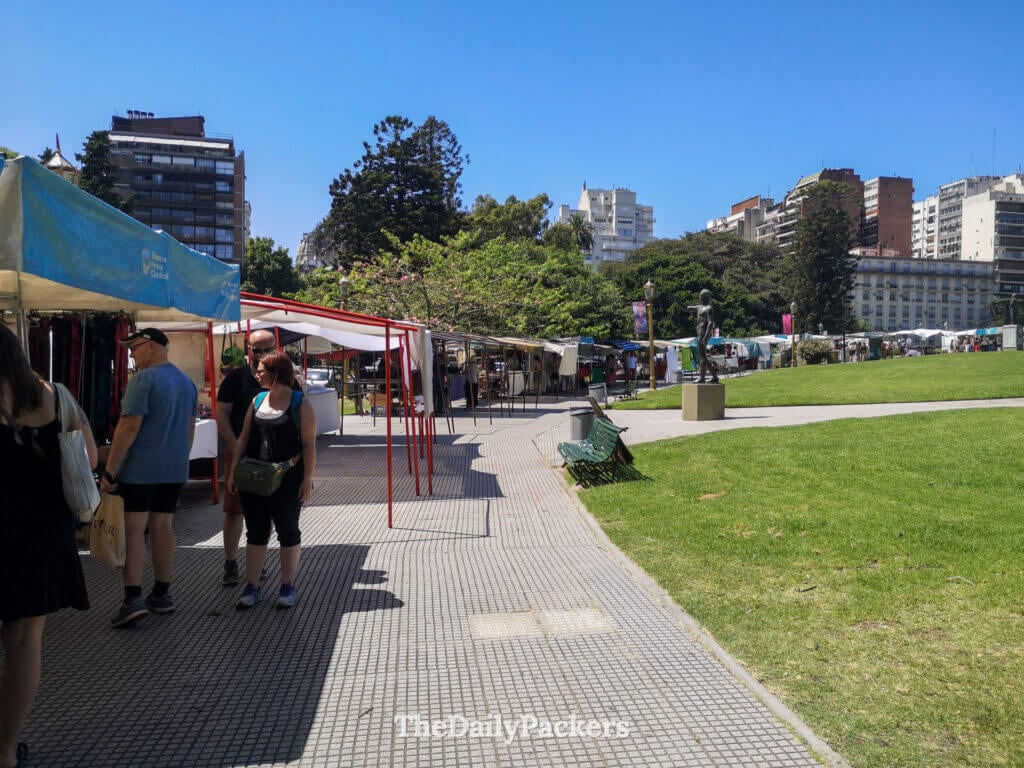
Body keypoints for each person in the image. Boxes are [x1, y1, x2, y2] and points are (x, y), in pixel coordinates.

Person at [0, 322, 96, 768]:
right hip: (41, 535)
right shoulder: (55, 395)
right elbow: (90, 459)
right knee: (23, 642)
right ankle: (5, 749)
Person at [100, 328, 197, 628]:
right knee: (163, 527)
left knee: (134, 531)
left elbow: (128, 428)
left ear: (152, 347)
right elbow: (190, 430)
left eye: (135, 348)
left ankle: (133, 599)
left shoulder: (144, 380)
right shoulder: (187, 383)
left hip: (141, 470)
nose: (131, 354)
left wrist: (109, 470)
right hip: (174, 468)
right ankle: (162, 594)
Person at [227, 351, 316, 609]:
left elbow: (309, 445)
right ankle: (252, 585)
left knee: (288, 529)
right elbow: (243, 438)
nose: (256, 374)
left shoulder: (300, 404)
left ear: (276, 373)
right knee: (255, 530)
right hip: (255, 477)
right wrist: (234, 471)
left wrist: (307, 479)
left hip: (288, 478)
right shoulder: (257, 400)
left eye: (261, 370)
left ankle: (287, 585)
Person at [214, 329, 274, 587]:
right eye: (256, 350)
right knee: (234, 511)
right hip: (239, 453)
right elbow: (222, 414)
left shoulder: (282, 379)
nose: (260, 355)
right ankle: (230, 562)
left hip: (270, 455)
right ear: (248, 350)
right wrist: (234, 444)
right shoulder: (235, 379)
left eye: (266, 349)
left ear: (275, 348)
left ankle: (256, 561)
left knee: (264, 511)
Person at [687, 289, 719, 384]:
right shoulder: (699, 307)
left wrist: (705, 336)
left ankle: (702, 378)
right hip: (700, 334)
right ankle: (714, 376)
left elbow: (710, 323)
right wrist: (676, 300)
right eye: (700, 295)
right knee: (703, 356)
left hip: (703, 334)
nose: (700, 297)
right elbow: (686, 307)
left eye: (702, 296)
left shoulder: (709, 308)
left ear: (706, 297)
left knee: (702, 357)